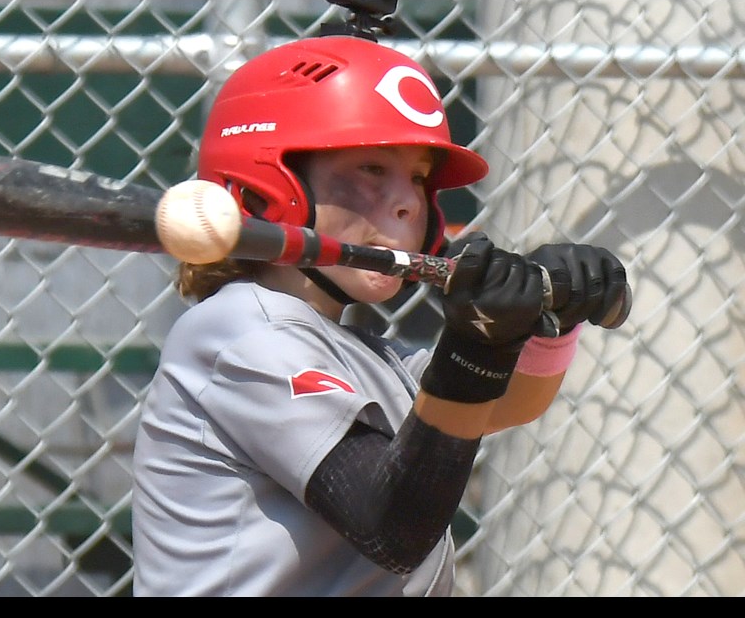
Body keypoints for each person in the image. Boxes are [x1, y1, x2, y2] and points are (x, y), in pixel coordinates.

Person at [130, 32, 628, 596]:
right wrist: (474, 348)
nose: (409, 200)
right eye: (371, 167)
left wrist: (546, 324)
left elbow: (503, 403)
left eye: (417, 176)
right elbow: (391, 525)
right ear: (273, 182)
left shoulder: (355, 349)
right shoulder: (240, 331)